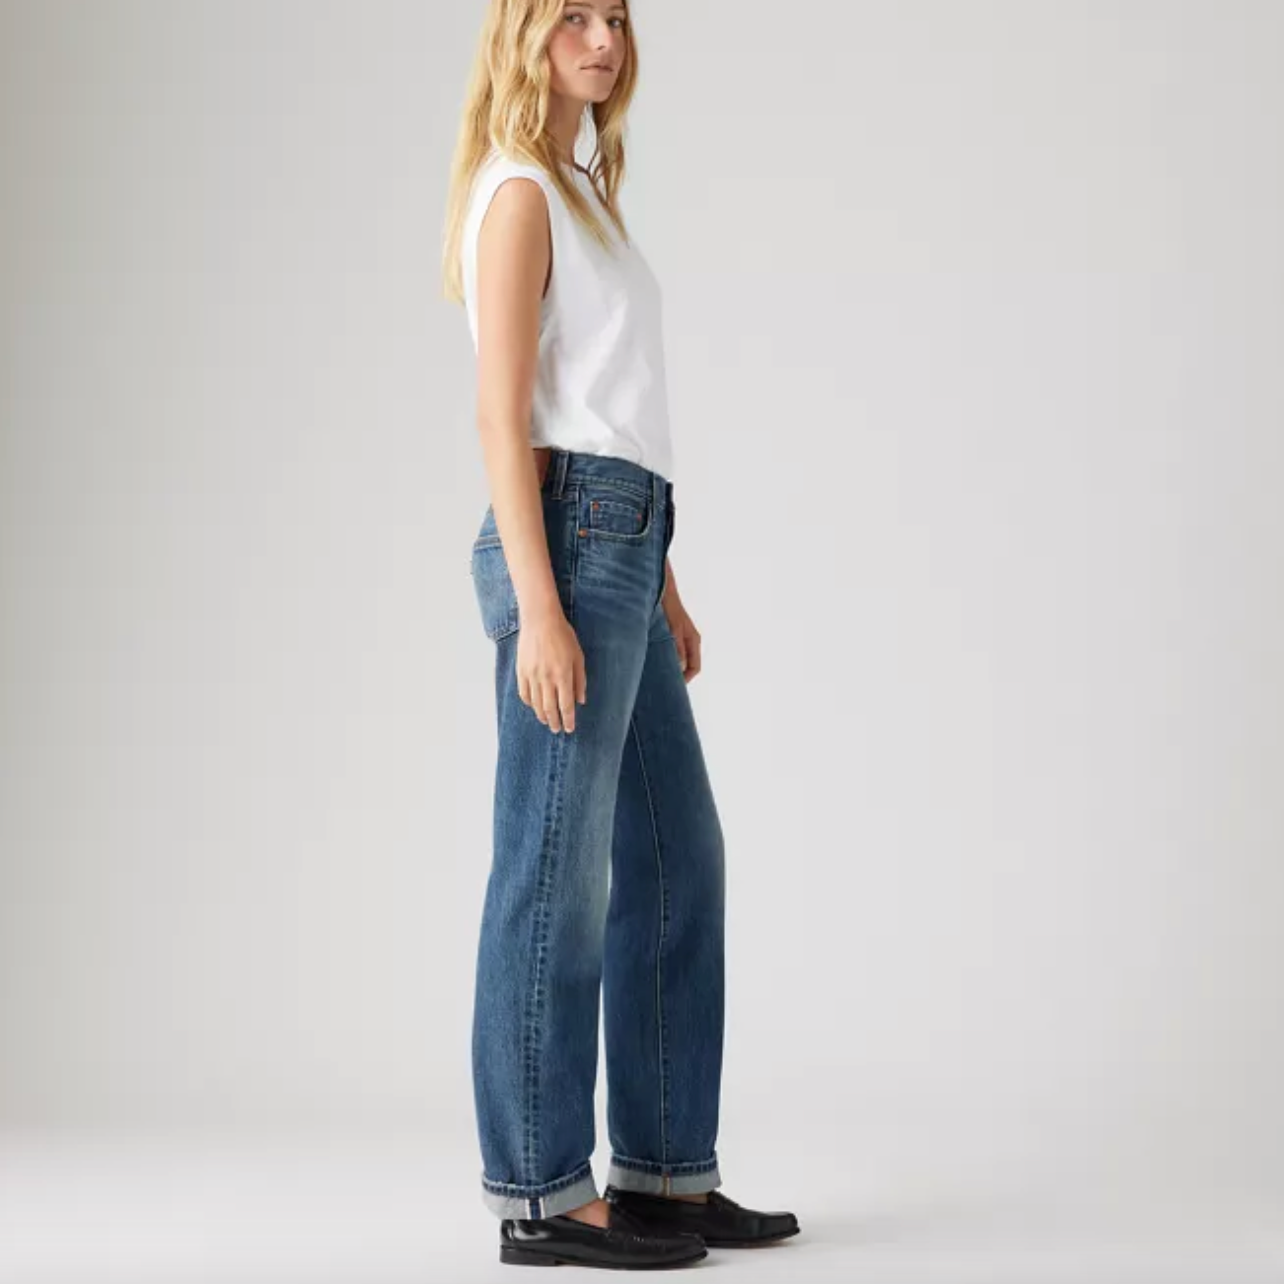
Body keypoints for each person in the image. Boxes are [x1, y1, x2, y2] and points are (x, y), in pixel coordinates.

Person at [441, 0, 799, 1269]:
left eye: (616, 16)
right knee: (554, 876)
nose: (603, 38)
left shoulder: (585, 196)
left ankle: (661, 1175)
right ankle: (542, 1191)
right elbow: (505, 419)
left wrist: (663, 582)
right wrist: (543, 603)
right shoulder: (520, 192)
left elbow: (609, 407)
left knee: (675, 857)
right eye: (573, 17)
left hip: (621, 543)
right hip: (566, 542)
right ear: (524, 38)